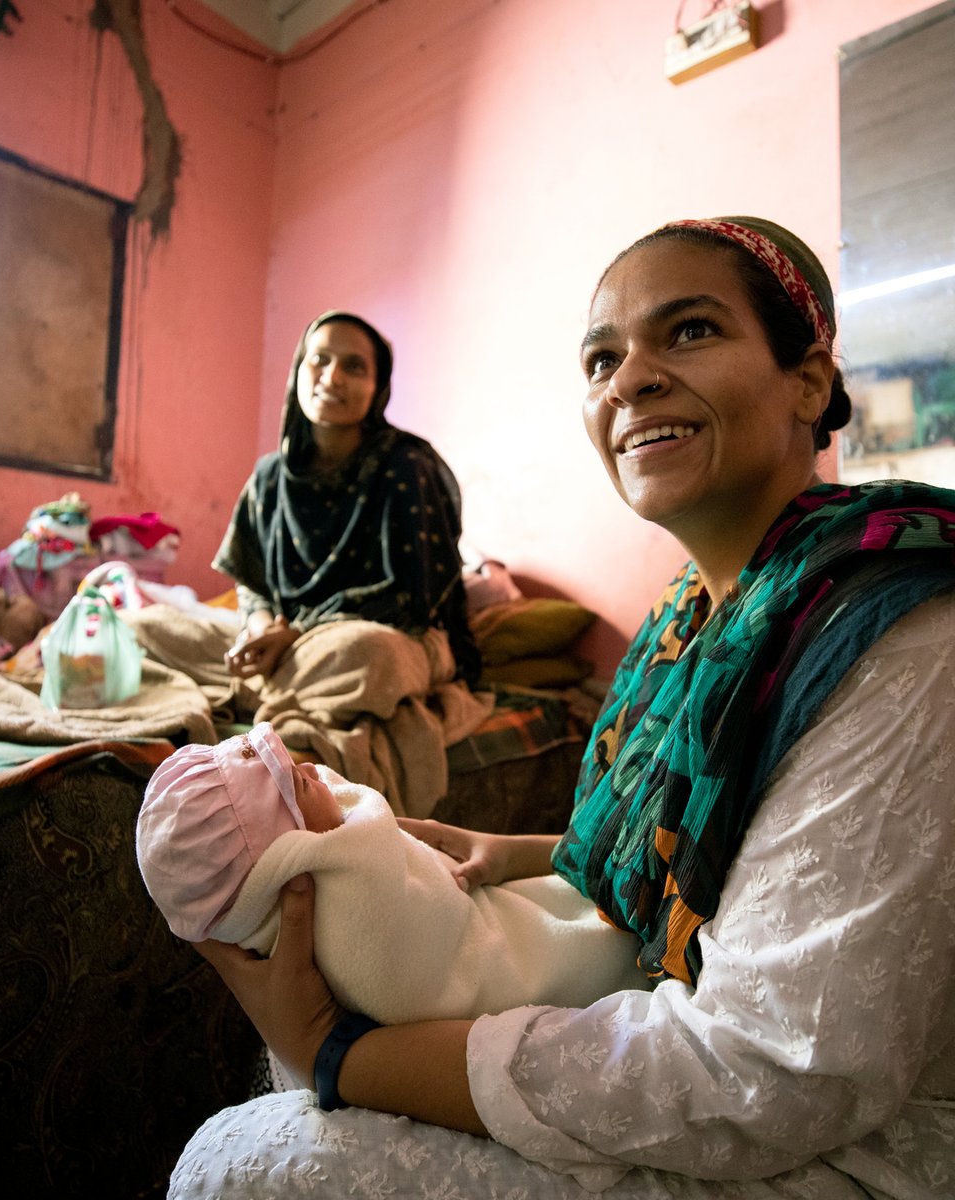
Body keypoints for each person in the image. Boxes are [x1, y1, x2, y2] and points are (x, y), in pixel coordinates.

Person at [169, 218, 955, 1199]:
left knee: (238, 1163)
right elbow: (741, 843)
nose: (630, 380)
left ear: (807, 378)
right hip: (742, 1060)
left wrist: (335, 1049)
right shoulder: (690, 625)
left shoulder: (894, 636)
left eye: (692, 331)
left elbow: (776, 1071)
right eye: (602, 358)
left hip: (873, 1130)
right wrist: (526, 850)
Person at [123, 312, 490, 816]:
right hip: (289, 646)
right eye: (319, 360)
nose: (332, 376)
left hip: (387, 635)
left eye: (354, 367)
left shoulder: (405, 466)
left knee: (368, 655)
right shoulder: (271, 476)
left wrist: (292, 633)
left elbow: (411, 598)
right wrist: (257, 624)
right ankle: (267, 682)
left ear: (378, 388)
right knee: (142, 628)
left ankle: (252, 688)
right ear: (298, 369)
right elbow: (250, 580)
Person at [137, 723, 646, 1031]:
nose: (315, 768)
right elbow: (427, 970)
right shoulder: (345, 892)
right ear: (284, 860)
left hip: (504, 909)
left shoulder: (310, 885)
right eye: (297, 782)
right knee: (591, 936)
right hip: (523, 967)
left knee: (553, 903)